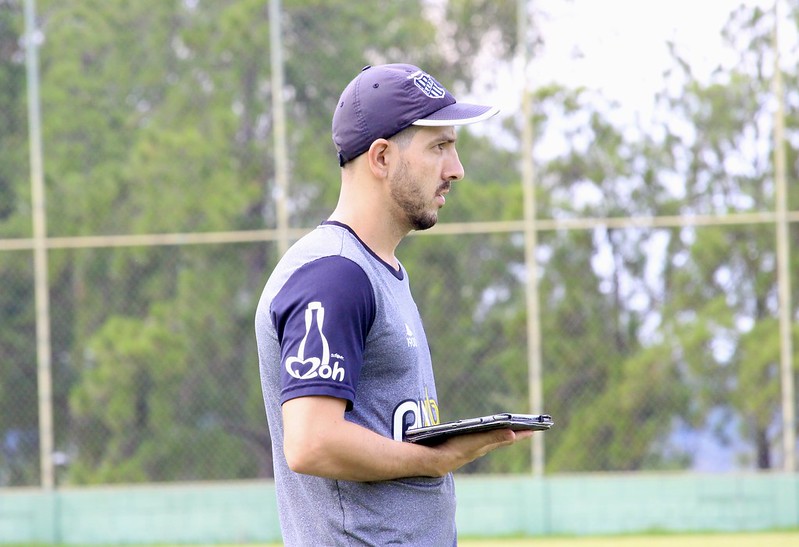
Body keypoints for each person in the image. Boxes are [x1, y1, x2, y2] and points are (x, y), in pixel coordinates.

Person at [255, 63, 533, 546]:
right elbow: (312, 441)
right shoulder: (335, 275)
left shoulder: (374, 270)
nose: (457, 169)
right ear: (381, 157)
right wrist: (436, 460)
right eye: (439, 147)